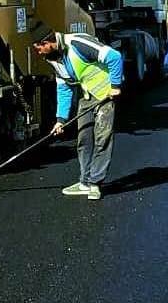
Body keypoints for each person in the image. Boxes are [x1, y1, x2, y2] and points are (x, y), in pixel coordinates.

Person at [32, 27, 122, 201]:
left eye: (39, 48)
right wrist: (60, 119)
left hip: (105, 94)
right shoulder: (52, 58)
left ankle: (95, 183)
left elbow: (114, 57)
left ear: (47, 42)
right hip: (87, 97)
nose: (38, 53)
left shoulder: (77, 44)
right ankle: (84, 182)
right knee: (84, 139)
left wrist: (116, 86)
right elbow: (64, 89)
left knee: (102, 138)